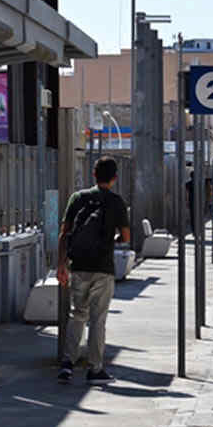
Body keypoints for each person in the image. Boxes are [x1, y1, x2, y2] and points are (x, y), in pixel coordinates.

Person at [57, 156, 130, 385]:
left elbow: (64, 233)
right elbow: (126, 236)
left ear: (93, 175)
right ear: (115, 178)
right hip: (103, 268)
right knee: (97, 320)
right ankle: (95, 369)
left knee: (77, 314)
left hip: (78, 266)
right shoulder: (117, 202)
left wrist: (61, 265)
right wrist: (114, 240)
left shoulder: (78, 198)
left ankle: (67, 364)